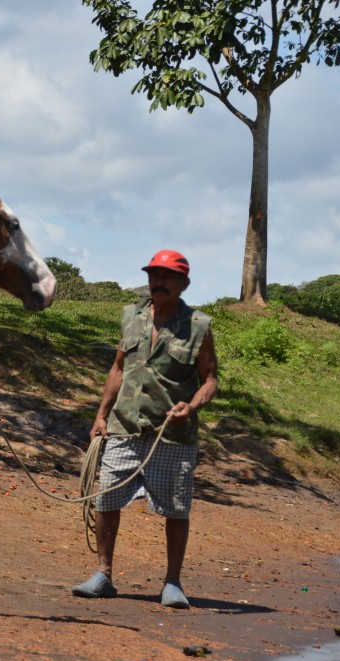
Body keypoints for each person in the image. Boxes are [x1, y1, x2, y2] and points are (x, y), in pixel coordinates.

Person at [72, 249, 218, 609]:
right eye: (154, 274)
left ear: (184, 284)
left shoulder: (199, 325)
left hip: (172, 434)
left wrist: (193, 404)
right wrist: (101, 414)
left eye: (167, 276)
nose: (158, 282)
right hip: (124, 426)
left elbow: (210, 379)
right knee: (106, 499)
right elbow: (117, 370)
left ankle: (172, 583)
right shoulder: (131, 317)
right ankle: (103, 575)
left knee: (176, 510)